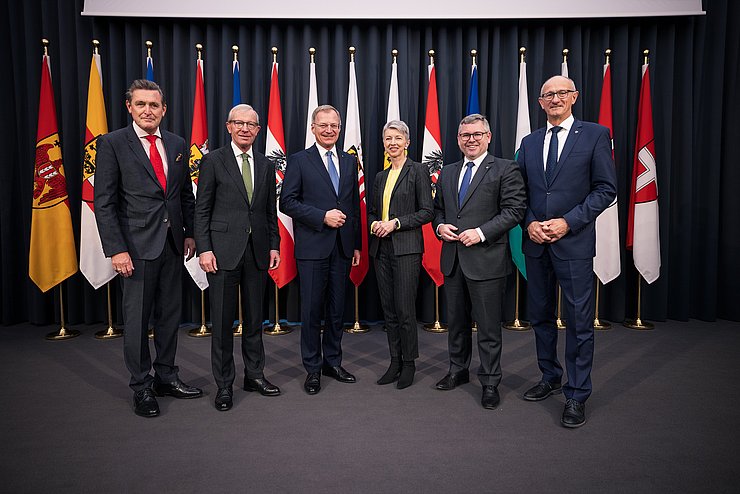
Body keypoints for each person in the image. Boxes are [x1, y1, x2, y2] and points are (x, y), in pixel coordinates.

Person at [94, 79, 202, 417]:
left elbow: (183, 194)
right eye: (140, 104)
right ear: (129, 107)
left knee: (170, 317)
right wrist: (116, 249)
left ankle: (166, 377)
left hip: (172, 245)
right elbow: (105, 202)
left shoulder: (176, 143)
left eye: (154, 105)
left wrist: (189, 233)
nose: (147, 110)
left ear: (163, 109)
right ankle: (141, 387)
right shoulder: (113, 143)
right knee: (138, 322)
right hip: (135, 249)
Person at [517, 75, 617, 428]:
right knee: (541, 316)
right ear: (541, 102)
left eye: (562, 93)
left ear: (574, 96)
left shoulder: (595, 135)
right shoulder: (529, 143)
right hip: (535, 243)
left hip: (572, 243)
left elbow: (606, 189)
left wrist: (568, 222)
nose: (555, 98)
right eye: (548, 95)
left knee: (578, 322)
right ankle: (549, 376)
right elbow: (521, 192)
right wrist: (528, 222)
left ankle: (576, 394)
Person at [433, 114, 526, 409]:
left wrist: (482, 232)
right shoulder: (447, 172)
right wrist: (440, 226)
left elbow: (515, 210)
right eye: (464, 135)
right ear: (458, 140)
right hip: (454, 260)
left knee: (487, 327)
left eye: (476, 134)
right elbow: (439, 210)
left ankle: (489, 381)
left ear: (488, 136)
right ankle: (458, 370)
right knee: (456, 323)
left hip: (487, 260)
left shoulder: (505, 169)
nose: (470, 140)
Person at [194, 104, 282, 411]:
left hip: (257, 251)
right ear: (229, 126)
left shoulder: (266, 164)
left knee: (255, 319)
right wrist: (204, 248)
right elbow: (201, 208)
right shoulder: (213, 161)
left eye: (251, 125)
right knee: (221, 322)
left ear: (258, 130)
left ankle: (254, 375)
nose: (245, 128)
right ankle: (224, 385)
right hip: (221, 253)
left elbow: (269, 210)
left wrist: (275, 244)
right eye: (239, 123)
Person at [280, 105, 361, 395]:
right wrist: (321, 216)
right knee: (312, 311)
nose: (329, 130)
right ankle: (313, 369)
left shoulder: (350, 161)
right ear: (313, 128)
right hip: (313, 247)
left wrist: (355, 244)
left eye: (334, 126)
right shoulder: (300, 160)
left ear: (340, 129)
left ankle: (334, 362)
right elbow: (286, 202)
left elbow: (353, 205)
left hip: (341, 249)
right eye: (323, 125)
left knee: (337, 311)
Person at [368, 120, 434, 389]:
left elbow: (427, 212)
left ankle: (409, 364)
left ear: (407, 142)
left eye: (397, 138)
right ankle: (394, 361)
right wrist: (374, 224)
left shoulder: (418, 171)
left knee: (405, 309)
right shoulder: (380, 177)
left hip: (406, 249)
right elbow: (373, 212)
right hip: (381, 250)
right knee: (389, 311)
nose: (392, 143)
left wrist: (395, 223)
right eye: (387, 139)